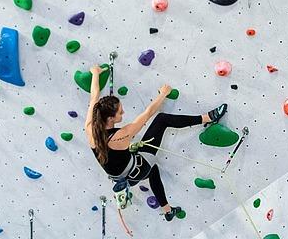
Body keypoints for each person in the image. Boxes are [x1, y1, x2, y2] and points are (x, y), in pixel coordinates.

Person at [85, 65, 227, 221]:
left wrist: (95, 74)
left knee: (153, 171)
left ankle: (167, 211)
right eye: (120, 112)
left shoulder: (90, 128)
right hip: (137, 170)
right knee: (161, 120)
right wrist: (163, 94)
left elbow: (94, 97)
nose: (123, 113)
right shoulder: (121, 135)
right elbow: (148, 113)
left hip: (122, 175)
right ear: (110, 118)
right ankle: (207, 118)